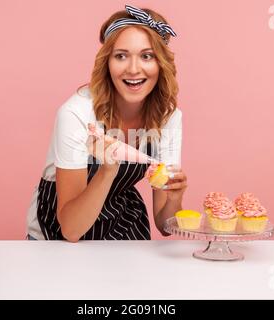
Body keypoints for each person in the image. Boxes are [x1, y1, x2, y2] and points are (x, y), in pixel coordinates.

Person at [26, 5, 187, 241]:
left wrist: (174, 198)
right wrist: (108, 170)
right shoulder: (76, 114)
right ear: (107, 63)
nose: (134, 69)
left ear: (161, 63)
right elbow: (71, 230)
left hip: (123, 226)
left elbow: (165, 225)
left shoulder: (168, 118)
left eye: (147, 56)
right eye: (121, 56)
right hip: (59, 233)